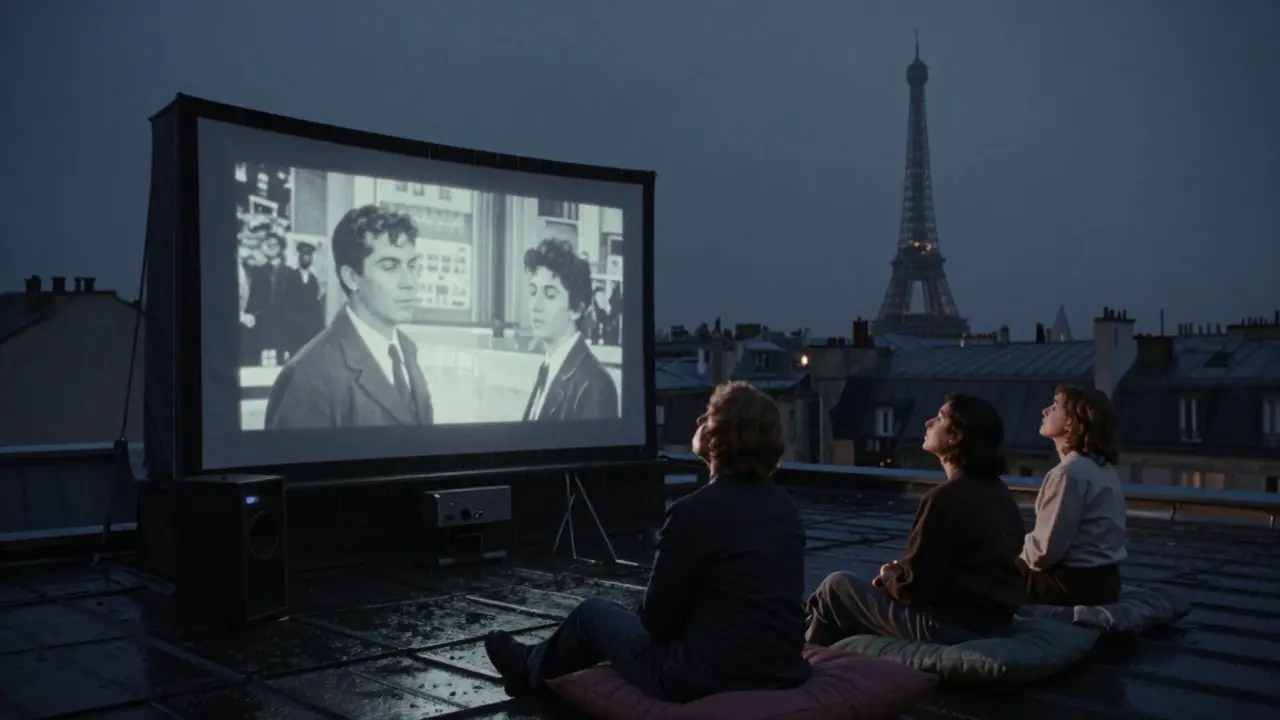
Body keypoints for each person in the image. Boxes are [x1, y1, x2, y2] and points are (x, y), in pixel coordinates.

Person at [485, 381, 812, 701]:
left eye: (708, 416)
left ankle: (528, 667)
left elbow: (656, 622)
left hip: (701, 678)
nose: (698, 421)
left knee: (593, 614)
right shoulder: (786, 509)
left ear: (719, 437)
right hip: (780, 671)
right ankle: (534, 662)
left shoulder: (693, 513)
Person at [806, 394, 1027, 646]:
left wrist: (889, 574)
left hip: (951, 627)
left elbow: (912, 589)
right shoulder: (1000, 493)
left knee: (835, 587)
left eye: (940, 418)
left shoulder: (945, 498)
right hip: (995, 623)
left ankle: (805, 663)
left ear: (955, 437)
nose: (928, 423)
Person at [264, 204, 434, 429]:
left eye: (412, 265)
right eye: (390, 266)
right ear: (352, 278)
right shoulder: (308, 376)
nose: (409, 283)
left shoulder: (406, 352)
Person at [1019, 386, 1128, 606]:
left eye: (1055, 406)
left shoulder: (1068, 474)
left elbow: (1043, 554)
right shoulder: (1101, 468)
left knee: (985, 577)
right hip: (1105, 582)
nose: (1044, 411)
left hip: (1076, 585)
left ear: (1071, 421)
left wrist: (1015, 549)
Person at [521, 238, 619, 421]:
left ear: (577, 310)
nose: (536, 305)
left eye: (550, 295)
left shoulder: (595, 385)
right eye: (533, 292)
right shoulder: (548, 368)